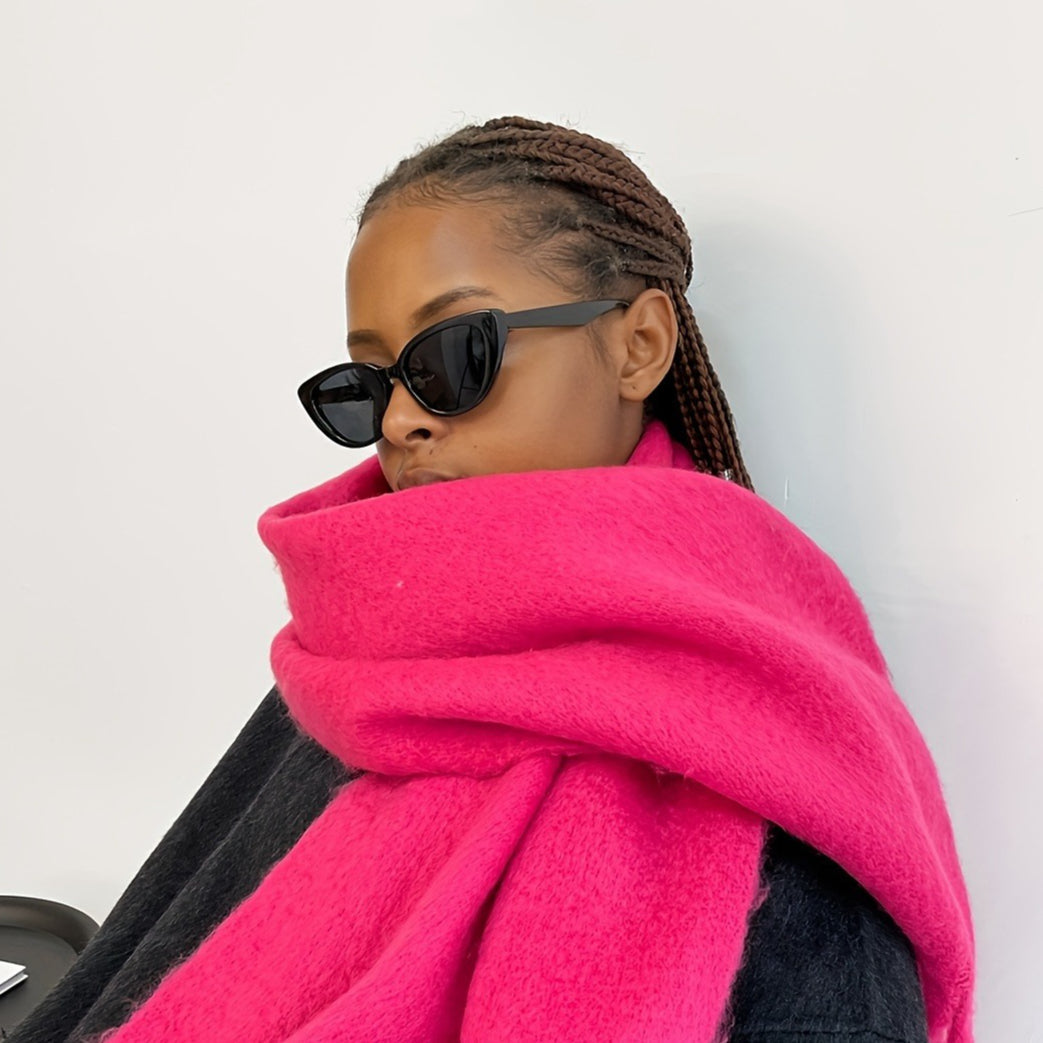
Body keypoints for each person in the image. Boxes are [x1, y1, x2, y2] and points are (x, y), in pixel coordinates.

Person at [7, 116, 974, 1043]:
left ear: (638, 344)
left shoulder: (781, 758)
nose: (400, 422)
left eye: (454, 355)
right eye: (369, 385)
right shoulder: (369, 652)